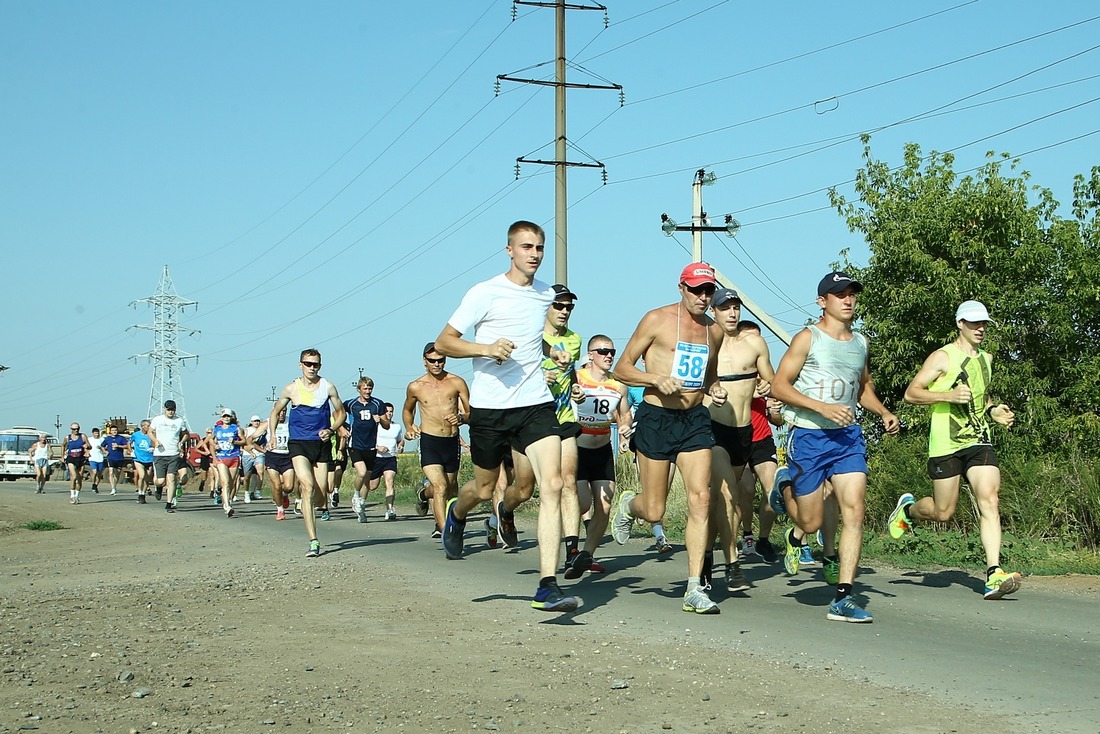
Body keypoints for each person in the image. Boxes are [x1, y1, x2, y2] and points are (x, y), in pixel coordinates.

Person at [433, 219, 579, 613]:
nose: (534, 254)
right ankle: (456, 513)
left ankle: (547, 585)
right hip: (490, 408)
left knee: (551, 484)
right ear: (509, 250)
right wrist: (486, 349)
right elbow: (446, 341)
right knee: (483, 491)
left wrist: (554, 353)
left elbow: (534, 339)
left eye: (540, 248)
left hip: (535, 404)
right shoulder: (485, 292)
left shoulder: (546, 294)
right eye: (527, 247)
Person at [770, 271, 899, 623]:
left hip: (847, 438)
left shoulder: (860, 342)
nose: (847, 299)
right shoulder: (807, 338)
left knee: (854, 510)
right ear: (822, 301)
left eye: (852, 294)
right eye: (839, 294)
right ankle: (784, 487)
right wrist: (821, 407)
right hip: (809, 436)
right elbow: (779, 387)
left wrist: (884, 411)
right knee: (809, 523)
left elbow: (862, 387)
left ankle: (843, 596)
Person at [611, 262, 729, 614]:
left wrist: (715, 388)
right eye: (696, 290)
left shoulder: (714, 331)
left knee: (700, 499)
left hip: (694, 420)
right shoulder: (656, 320)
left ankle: (694, 587)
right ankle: (631, 505)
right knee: (655, 509)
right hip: (657, 418)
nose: (703, 297)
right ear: (681, 288)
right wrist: (654, 379)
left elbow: (710, 375)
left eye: (708, 290)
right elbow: (622, 367)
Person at [892, 300, 1022, 601]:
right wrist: (948, 394)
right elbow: (911, 393)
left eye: (984, 323)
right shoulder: (942, 357)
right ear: (959, 324)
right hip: (945, 443)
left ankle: (993, 573)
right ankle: (908, 511)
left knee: (989, 499)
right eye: (974, 323)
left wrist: (994, 411)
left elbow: (980, 397)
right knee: (943, 512)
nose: (980, 328)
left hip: (979, 440)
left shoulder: (986, 359)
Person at [704, 288, 775, 593]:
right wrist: (710, 389)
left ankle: (705, 556)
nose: (731, 313)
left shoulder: (754, 343)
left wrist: (767, 389)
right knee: (729, 496)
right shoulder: (704, 342)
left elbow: (772, 380)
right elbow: (688, 383)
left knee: (715, 504)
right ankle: (733, 566)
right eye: (725, 308)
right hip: (713, 429)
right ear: (714, 311)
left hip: (744, 432)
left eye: (735, 307)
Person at [270, 348, 348, 557]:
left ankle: (306, 503)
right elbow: (275, 412)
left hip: (321, 444)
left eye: (316, 364)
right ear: (300, 365)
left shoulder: (328, 387)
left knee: (322, 493)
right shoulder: (291, 389)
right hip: (299, 444)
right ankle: (313, 540)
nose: (312, 368)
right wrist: (271, 435)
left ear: (320, 366)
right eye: (308, 364)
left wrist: (331, 429)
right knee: (308, 486)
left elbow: (341, 413)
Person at [573, 335, 632, 575]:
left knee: (604, 506)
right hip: (576, 449)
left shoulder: (619, 384)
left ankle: (586, 555)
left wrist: (626, 429)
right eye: (602, 351)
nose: (608, 355)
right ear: (590, 355)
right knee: (582, 503)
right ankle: (570, 547)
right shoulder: (576, 377)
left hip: (603, 449)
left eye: (612, 352)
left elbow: (624, 413)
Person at [541, 283, 589, 578]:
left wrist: (576, 388)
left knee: (568, 481)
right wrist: (538, 375)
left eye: (569, 306)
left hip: (563, 415)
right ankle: (505, 511)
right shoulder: (531, 335)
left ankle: (572, 552)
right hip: (533, 417)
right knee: (523, 488)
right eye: (559, 305)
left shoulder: (574, 339)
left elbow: (571, 374)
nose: (564, 311)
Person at [402, 342, 470, 537]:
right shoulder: (416, 386)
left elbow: (470, 412)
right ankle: (445, 532)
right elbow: (408, 410)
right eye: (432, 361)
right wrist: (409, 427)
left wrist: (461, 418)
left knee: (450, 488)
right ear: (425, 362)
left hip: (452, 440)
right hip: (430, 441)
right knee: (440, 487)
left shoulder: (457, 382)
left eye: (440, 360)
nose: (437, 364)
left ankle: (423, 494)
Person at [345, 376, 385, 522]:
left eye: (370, 388)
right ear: (359, 389)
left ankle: (361, 505)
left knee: (367, 479)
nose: (368, 391)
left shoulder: (377, 404)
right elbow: (337, 414)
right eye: (365, 388)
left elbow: (386, 422)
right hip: (355, 444)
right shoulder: (350, 404)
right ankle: (356, 495)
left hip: (371, 445)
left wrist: (381, 420)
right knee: (361, 473)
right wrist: (343, 428)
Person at [247, 408, 296, 520]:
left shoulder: (291, 421)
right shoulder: (267, 423)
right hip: (272, 457)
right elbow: (251, 438)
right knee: (277, 485)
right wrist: (255, 448)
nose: (282, 413)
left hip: (287, 456)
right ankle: (280, 510)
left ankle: (284, 495)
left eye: (284, 411)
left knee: (289, 487)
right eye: (279, 411)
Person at [367, 403, 404, 521]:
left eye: (391, 411)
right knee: (372, 486)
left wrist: (401, 446)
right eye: (387, 411)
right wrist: (378, 447)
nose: (389, 413)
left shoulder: (397, 427)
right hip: (376, 458)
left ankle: (390, 510)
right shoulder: (375, 426)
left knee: (390, 481)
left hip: (390, 458)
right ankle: (359, 494)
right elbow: (367, 441)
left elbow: (400, 440)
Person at [150, 400, 189, 514]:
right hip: (160, 454)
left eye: (172, 410)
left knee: (171, 478)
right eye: (168, 409)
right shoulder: (157, 420)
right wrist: (155, 440)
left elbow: (186, 433)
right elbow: (150, 432)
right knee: (161, 481)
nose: (170, 412)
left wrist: (181, 442)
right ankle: (158, 487)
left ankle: (169, 504)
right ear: (164, 409)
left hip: (173, 454)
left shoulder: (179, 421)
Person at [205, 409, 245, 517]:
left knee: (231, 483)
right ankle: (227, 507)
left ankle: (227, 500)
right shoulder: (217, 429)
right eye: (224, 416)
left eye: (228, 416)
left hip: (234, 457)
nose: (226, 418)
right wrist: (215, 445)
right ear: (221, 418)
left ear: (231, 417)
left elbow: (244, 441)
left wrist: (235, 442)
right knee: (225, 482)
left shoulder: (236, 429)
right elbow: (210, 439)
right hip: (221, 458)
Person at [62, 422, 90, 504]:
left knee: (79, 478)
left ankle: (77, 496)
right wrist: (62, 455)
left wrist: (87, 447)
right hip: (71, 458)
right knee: (73, 476)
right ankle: (72, 496)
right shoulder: (67, 437)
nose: (76, 430)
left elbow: (89, 446)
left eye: (77, 428)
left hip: (81, 459)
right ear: (71, 429)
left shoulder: (83, 436)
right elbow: (63, 445)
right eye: (74, 429)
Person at [241, 415, 266, 503]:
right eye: (255, 421)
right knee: (247, 477)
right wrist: (251, 452)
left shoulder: (263, 430)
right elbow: (243, 444)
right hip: (247, 455)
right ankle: (247, 492)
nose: (256, 422)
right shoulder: (247, 430)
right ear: (251, 422)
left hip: (259, 454)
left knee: (260, 472)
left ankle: (258, 491)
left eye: (258, 421)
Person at [129, 420, 155, 503]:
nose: (148, 427)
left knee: (147, 478)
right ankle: (140, 493)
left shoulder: (152, 435)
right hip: (138, 459)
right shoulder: (136, 435)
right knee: (142, 476)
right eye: (147, 426)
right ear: (142, 426)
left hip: (149, 459)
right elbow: (129, 443)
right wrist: (131, 451)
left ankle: (143, 493)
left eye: (149, 426)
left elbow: (156, 443)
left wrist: (154, 448)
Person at [101, 425, 129, 496]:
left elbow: (126, 446)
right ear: (110, 431)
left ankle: (115, 486)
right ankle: (112, 488)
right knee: (111, 472)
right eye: (113, 430)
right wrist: (105, 452)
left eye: (115, 430)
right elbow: (102, 446)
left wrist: (118, 446)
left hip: (119, 458)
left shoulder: (121, 438)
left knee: (117, 473)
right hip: (110, 457)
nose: (114, 432)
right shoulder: (108, 438)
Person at [87, 428, 106, 494]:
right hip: (92, 458)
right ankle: (93, 484)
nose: (96, 434)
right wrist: (87, 452)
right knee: (94, 472)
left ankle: (96, 485)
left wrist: (101, 448)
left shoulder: (102, 439)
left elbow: (105, 447)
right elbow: (86, 446)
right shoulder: (89, 439)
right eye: (95, 433)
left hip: (100, 458)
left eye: (97, 433)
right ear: (93, 433)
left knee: (99, 474)